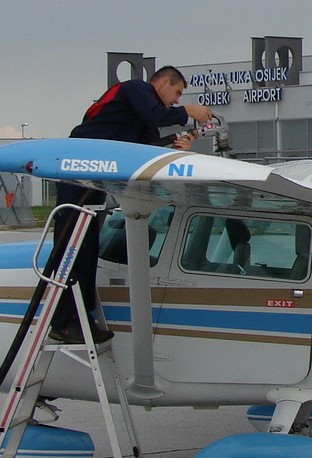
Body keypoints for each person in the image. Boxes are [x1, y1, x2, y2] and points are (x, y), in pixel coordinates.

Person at [49, 66, 212, 343]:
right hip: (76, 171)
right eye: (177, 92)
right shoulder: (135, 88)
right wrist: (189, 112)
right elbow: (156, 114)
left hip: (93, 180)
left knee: (88, 250)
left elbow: (145, 148)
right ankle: (63, 320)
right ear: (162, 82)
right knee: (72, 248)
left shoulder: (140, 118)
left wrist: (179, 144)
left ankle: (79, 316)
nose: (175, 100)